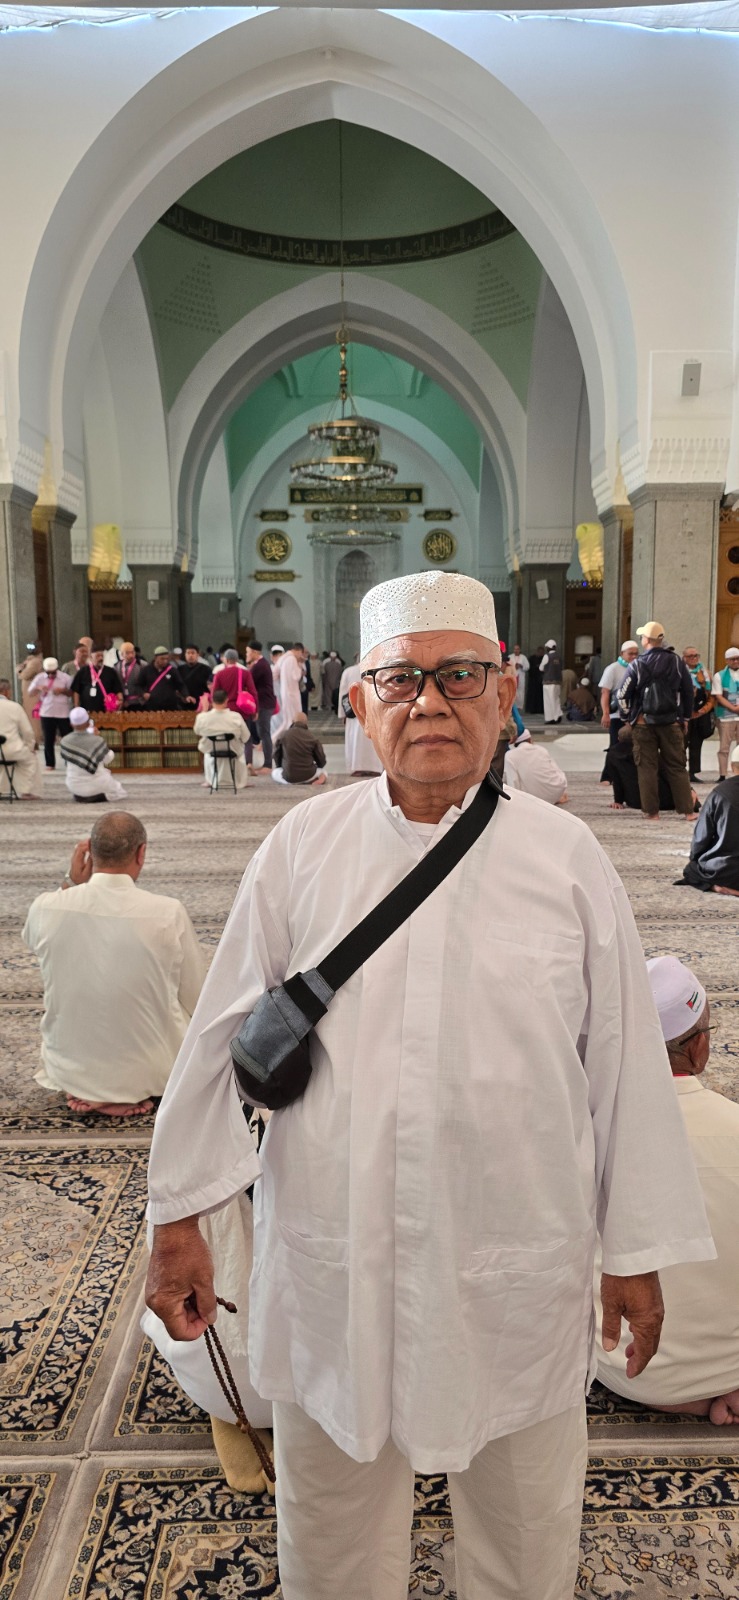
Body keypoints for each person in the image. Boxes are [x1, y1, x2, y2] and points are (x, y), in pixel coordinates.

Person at [146, 569, 712, 1600]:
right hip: (336, 1253)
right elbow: (216, 1035)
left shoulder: (566, 858)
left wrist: (633, 1249)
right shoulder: (301, 850)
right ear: (357, 701)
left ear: (502, 694)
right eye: (400, 680)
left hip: (515, 1256)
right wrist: (180, 1214)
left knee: (524, 1523)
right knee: (329, 1523)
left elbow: (624, 1065)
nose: (431, 702)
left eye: (459, 676)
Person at [597, 956, 739, 1425]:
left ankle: (680, 1393)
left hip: (622, 1367)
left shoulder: (582, 1135)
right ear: (699, 1048)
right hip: (731, 1367)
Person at [23, 812, 205, 1118]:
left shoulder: (46, 906)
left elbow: (32, 937)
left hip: (68, 1069)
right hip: (154, 1071)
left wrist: (70, 883)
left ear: (89, 854)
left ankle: (93, 1086)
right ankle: (126, 1086)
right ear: (141, 853)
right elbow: (197, 996)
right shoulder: (168, 912)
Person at [617, 621, 694, 819]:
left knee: (647, 768)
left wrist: (629, 718)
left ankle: (652, 812)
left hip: (644, 724)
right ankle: (687, 811)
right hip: (671, 722)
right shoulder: (677, 662)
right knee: (677, 766)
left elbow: (622, 694)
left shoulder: (638, 664)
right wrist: (684, 717)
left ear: (646, 640)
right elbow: (687, 691)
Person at [680, 747, 739, 893]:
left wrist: (695, 858)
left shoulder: (720, 792)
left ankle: (722, 887)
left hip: (726, 870)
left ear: (732, 767)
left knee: (691, 871)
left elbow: (702, 835)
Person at [605, 726, 699, 815]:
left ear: (618, 738)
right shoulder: (645, 751)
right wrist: (688, 790)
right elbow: (666, 773)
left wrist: (618, 801)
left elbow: (617, 780)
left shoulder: (612, 755)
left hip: (634, 801)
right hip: (661, 799)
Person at [59, 706, 127, 802]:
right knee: (120, 792)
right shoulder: (97, 740)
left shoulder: (65, 741)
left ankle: (82, 796)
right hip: (97, 784)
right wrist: (97, 739)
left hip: (73, 785)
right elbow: (107, 759)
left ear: (71, 724)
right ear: (88, 723)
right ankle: (99, 797)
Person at [194, 688, 249, 790]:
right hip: (233, 749)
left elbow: (197, 731)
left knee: (207, 753)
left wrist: (204, 711)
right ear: (226, 701)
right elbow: (246, 736)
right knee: (241, 752)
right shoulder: (236, 717)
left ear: (212, 701)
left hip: (211, 749)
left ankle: (210, 780)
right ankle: (240, 781)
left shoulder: (202, 717)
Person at [338, 656, 383, 776]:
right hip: (374, 711)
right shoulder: (377, 668)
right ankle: (375, 767)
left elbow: (342, 694)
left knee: (355, 740)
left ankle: (356, 767)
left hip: (353, 713)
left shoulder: (348, 671)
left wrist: (342, 714)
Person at [503, 725, 568, 804]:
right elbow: (555, 771)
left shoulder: (510, 755)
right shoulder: (541, 750)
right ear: (530, 740)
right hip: (556, 792)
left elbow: (513, 781)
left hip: (533, 799)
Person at [0, 678, 42, 797]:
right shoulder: (15, 707)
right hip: (12, 749)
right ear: (7, 692)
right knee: (30, 760)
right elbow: (28, 732)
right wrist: (29, 747)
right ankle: (26, 791)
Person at [28, 656, 73, 768]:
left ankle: (70, 762)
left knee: (67, 738)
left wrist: (63, 691)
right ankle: (50, 763)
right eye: (49, 673)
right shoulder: (39, 678)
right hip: (46, 712)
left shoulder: (65, 678)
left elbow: (72, 693)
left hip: (63, 712)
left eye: (53, 673)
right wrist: (39, 688)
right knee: (48, 739)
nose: (51, 675)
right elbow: (30, 693)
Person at [682, 646, 714, 782]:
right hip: (684, 713)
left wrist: (704, 710)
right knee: (682, 744)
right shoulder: (680, 671)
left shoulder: (705, 673)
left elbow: (711, 695)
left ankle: (693, 772)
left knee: (696, 743)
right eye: (690, 656)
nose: (694, 658)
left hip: (700, 713)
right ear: (684, 658)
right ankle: (680, 771)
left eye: (696, 655)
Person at [245, 641, 277, 772]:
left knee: (264, 733)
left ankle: (268, 765)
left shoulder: (260, 666)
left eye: (248, 652)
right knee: (262, 733)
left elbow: (248, 681)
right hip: (264, 703)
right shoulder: (260, 664)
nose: (246, 654)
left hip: (264, 704)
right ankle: (267, 763)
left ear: (254, 652)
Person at [598, 641, 639, 744]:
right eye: (630, 654)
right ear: (622, 653)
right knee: (616, 746)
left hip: (635, 716)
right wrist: (606, 714)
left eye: (636, 653)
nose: (634, 656)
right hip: (617, 715)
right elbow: (605, 692)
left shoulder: (639, 668)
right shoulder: (612, 669)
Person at [272, 712, 327, 786]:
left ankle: (290, 781)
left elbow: (276, 755)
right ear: (306, 723)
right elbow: (321, 761)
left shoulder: (284, 735)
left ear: (292, 721)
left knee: (275, 772)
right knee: (323, 771)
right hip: (309, 776)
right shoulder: (312, 737)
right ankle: (319, 778)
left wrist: (281, 767)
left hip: (288, 778)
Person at [711, 645, 739, 780]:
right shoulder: (719, 675)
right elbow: (718, 695)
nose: (736, 662)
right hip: (726, 716)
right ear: (727, 661)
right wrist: (733, 708)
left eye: (738, 659)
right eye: (732, 659)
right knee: (724, 747)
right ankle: (723, 774)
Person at [70, 644, 122, 714]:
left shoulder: (110, 671)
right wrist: (76, 707)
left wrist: (120, 702)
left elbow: (118, 689)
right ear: (91, 657)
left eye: (102, 656)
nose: (100, 658)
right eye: (98, 656)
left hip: (107, 711)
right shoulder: (83, 671)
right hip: (87, 710)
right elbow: (76, 690)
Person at [140, 646, 187, 711]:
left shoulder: (172, 670)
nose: (165, 661)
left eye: (167, 659)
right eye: (162, 659)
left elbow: (180, 685)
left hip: (170, 706)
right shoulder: (146, 670)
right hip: (152, 705)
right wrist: (143, 693)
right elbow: (138, 685)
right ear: (155, 658)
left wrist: (186, 695)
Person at [273, 641, 304, 737]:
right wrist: (300, 666)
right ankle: (277, 739)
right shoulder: (292, 659)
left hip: (284, 691)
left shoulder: (283, 658)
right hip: (292, 693)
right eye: (301, 653)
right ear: (298, 651)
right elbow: (296, 676)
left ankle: (275, 739)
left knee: (287, 720)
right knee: (292, 720)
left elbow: (274, 674)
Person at [16, 642, 43, 741]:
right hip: (29, 694)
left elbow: (25, 675)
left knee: (34, 719)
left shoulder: (35, 662)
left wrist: (19, 670)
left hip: (33, 696)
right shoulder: (30, 661)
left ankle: (36, 738)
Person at [118, 640, 147, 708]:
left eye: (132, 652)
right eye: (127, 653)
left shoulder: (142, 665)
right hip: (123, 702)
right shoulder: (116, 667)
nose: (131, 655)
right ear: (122, 654)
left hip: (139, 701)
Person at [539, 638, 562, 723]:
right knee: (556, 699)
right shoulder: (559, 657)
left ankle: (550, 718)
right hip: (558, 681)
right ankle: (558, 714)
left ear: (548, 648)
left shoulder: (547, 656)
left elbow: (541, 668)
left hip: (548, 682)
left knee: (548, 700)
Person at [525, 644, 545, 715]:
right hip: (533, 680)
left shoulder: (544, 658)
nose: (541, 653)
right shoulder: (532, 658)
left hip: (540, 680)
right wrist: (536, 667)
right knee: (533, 696)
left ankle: (540, 709)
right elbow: (529, 669)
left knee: (540, 696)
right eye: (540, 652)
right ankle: (532, 709)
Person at [510, 644, 529, 710]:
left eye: (517, 649)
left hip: (520, 676)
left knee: (520, 691)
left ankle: (519, 707)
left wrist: (521, 666)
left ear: (519, 650)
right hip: (513, 676)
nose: (516, 650)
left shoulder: (523, 657)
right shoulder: (510, 656)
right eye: (515, 649)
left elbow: (527, 667)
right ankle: (512, 706)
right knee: (512, 690)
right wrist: (513, 666)